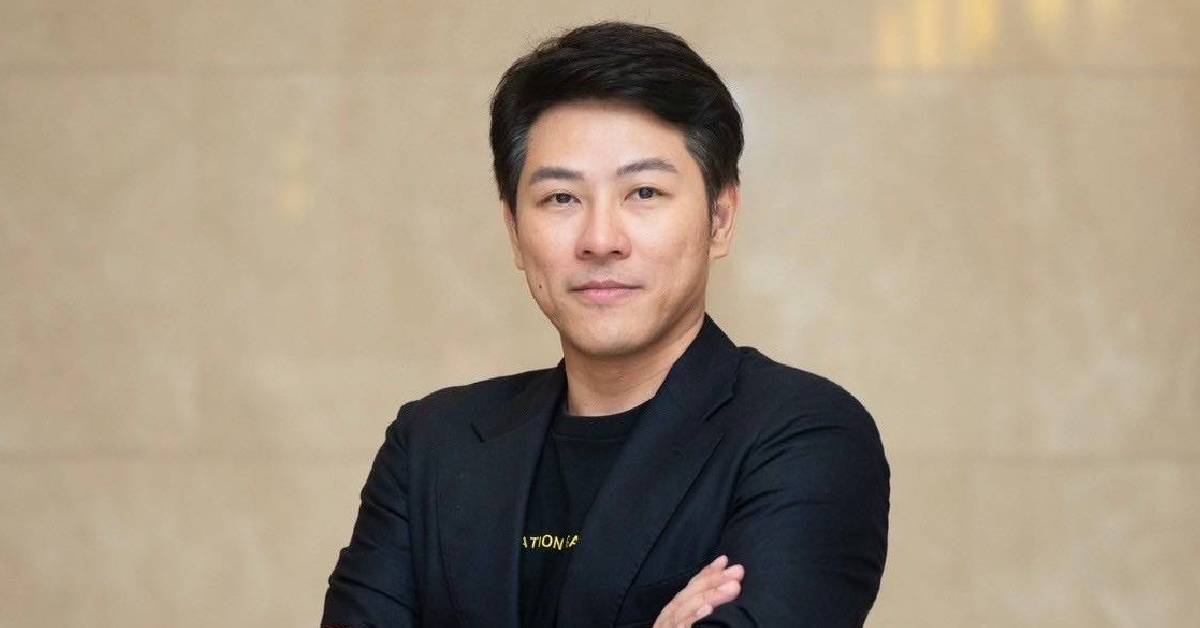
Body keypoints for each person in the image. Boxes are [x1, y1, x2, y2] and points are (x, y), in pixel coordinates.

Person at [322, 21, 889, 628]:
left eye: (644, 192)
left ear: (720, 219)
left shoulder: (804, 437)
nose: (600, 239)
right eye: (561, 198)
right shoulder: (432, 445)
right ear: (514, 231)